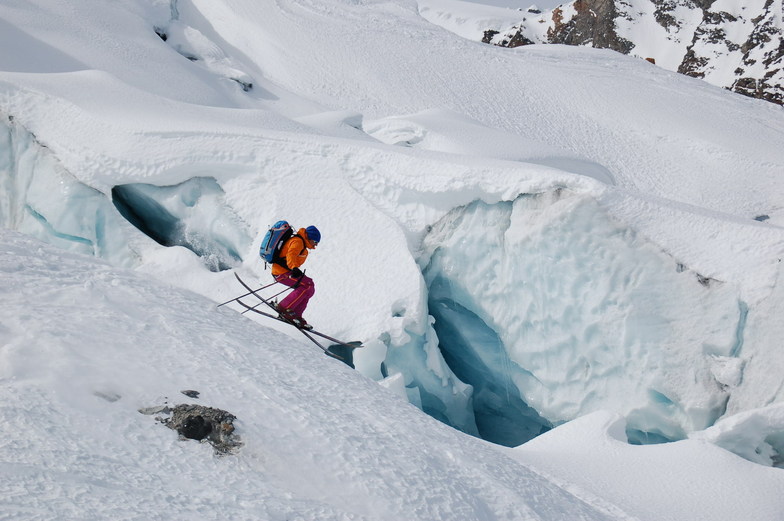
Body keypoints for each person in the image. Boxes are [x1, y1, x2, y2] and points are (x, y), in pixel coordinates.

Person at [271, 225, 321, 329]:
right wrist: (293, 267)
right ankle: (285, 308)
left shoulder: (302, 245)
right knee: (307, 285)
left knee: (309, 288)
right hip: (281, 272)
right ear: (310, 238)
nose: (315, 245)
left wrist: (294, 268)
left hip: (286, 271)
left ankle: (296, 315)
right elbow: (291, 255)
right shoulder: (298, 242)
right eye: (315, 242)